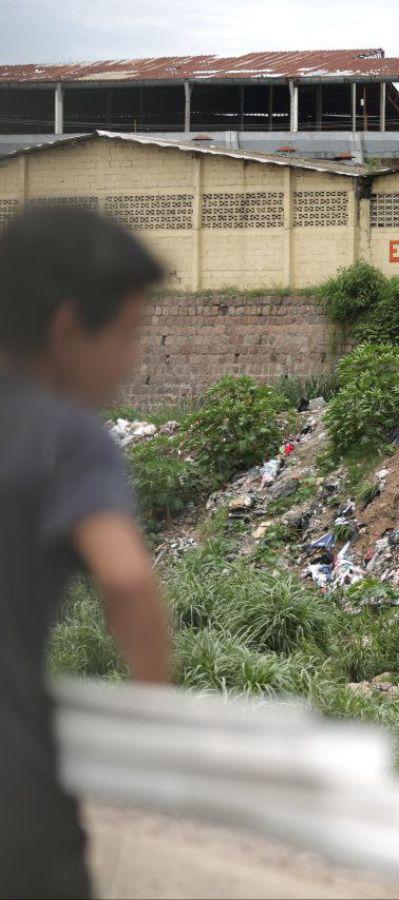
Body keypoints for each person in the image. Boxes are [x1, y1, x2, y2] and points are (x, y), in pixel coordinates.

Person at [0, 208, 171, 898]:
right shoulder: (63, 437)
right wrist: (153, 720)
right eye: (128, 333)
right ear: (68, 328)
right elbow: (126, 577)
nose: (134, 360)